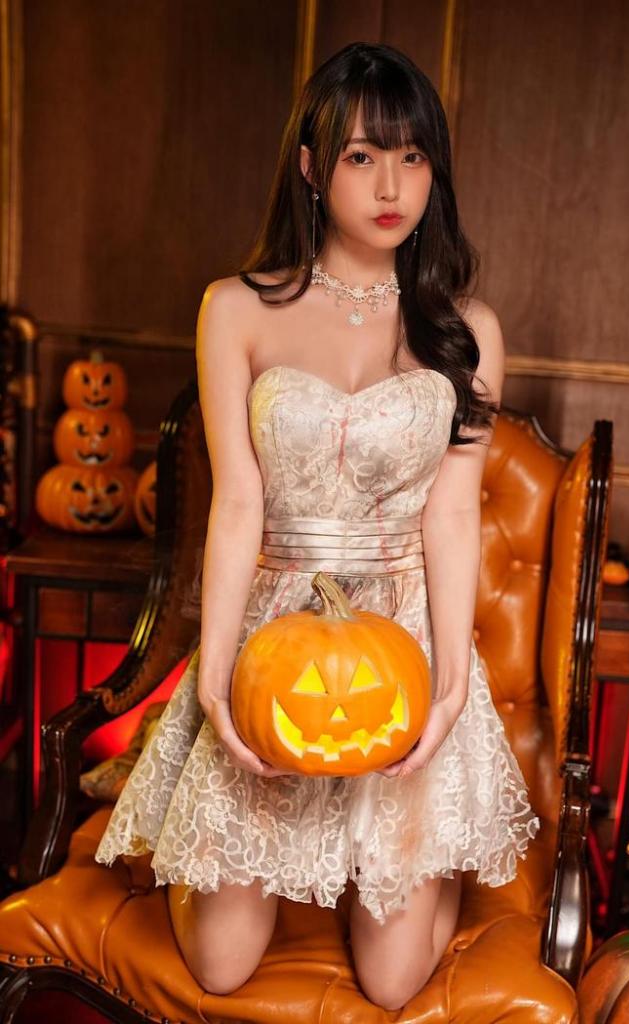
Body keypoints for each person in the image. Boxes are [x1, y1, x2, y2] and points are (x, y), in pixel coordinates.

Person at [94, 41, 540, 1011]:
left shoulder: (467, 330)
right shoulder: (234, 310)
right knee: (220, 962)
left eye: (413, 156)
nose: (391, 184)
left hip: (403, 636)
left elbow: (453, 507)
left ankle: (415, 861)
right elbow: (237, 504)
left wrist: (454, 680)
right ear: (309, 165)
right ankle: (218, 839)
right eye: (360, 156)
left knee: (390, 980)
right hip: (274, 630)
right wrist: (212, 675)